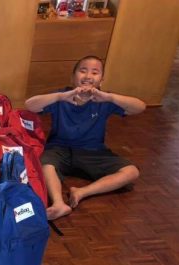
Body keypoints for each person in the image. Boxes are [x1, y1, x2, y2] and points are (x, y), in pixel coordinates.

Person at [25, 55, 146, 220]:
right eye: (83, 71)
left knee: (131, 172)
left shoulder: (104, 99)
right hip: (59, 150)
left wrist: (110, 97)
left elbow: (140, 107)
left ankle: (82, 192)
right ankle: (59, 203)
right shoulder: (62, 96)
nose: (88, 76)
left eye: (95, 72)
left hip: (93, 152)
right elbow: (30, 105)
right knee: (44, 165)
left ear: (101, 80)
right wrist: (61, 96)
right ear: (73, 77)